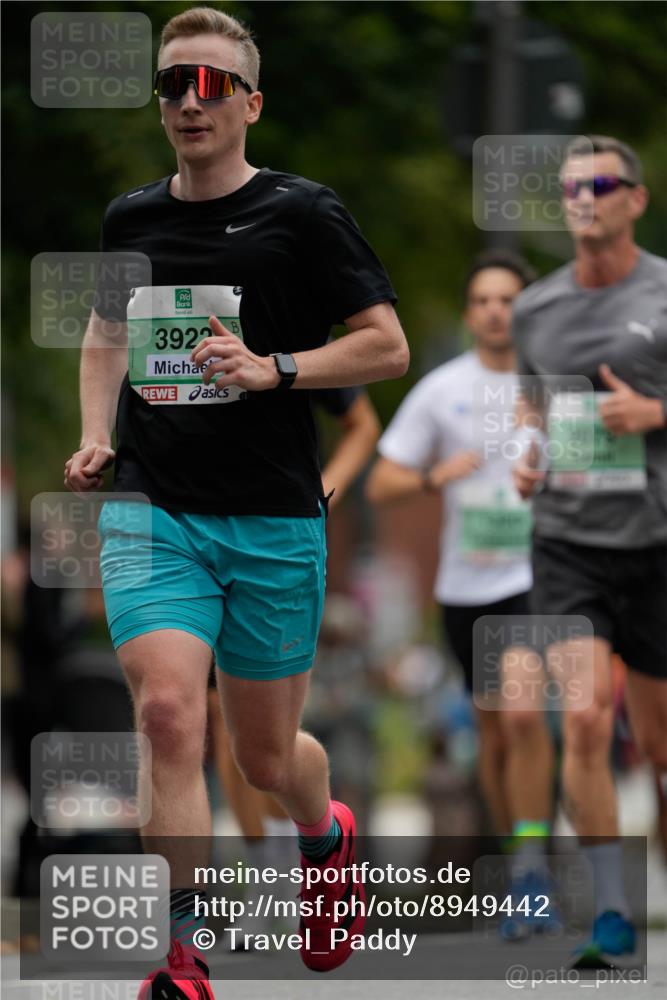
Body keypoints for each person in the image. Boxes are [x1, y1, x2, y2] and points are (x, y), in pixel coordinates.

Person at [64, 7, 408, 997]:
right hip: (155, 506)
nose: (189, 100)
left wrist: (274, 368)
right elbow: (105, 333)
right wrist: (96, 433)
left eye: (211, 83)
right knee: (169, 716)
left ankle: (324, 836)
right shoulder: (130, 219)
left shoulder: (303, 214)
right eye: (172, 82)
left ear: (250, 104)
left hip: (271, 516)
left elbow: (385, 346)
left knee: (263, 759)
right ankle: (182, 954)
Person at [366, 249, 559, 936]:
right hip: (464, 589)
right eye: (482, 300)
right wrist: (433, 476)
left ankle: (532, 869)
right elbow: (381, 483)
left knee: (523, 716)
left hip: (536, 577)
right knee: (494, 735)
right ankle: (522, 865)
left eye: (508, 300)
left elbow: (609, 469)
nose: (495, 312)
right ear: (468, 312)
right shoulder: (441, 388)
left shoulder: (555, 385)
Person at [512, 135, 666, 963]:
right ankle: (610, 908)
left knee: (660, 745)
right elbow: (532, 405)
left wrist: (654, 414)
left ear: (634, 199)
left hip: (657, 540)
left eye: (599, 184)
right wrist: (527, 453)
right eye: (570, 187)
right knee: (581, 718)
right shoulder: (535, 308)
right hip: (568, 543)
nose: (581, 197)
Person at [205, 386, 381, 943]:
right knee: (216, 726)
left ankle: (300, 857)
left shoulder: (294, 340)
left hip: (273, 542)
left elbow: (363, 424)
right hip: (193, 539)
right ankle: (266, 875)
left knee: (263, 740)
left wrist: (325, 491)